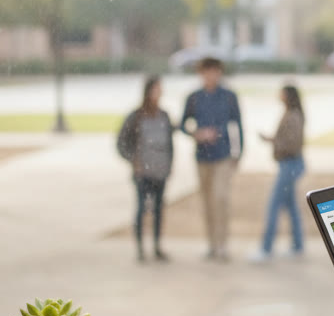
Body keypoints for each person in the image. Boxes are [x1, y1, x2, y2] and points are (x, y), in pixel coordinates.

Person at [180, 57, 243, 262]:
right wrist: (196, 134)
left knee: (220, 198)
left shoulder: (229, 97)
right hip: (202, 157)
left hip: (223, 155)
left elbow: (238, 125)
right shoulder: (194, 98)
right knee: (207, 201)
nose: (211, 76)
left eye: (214, 71)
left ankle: (222, 244)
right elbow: (182, 124)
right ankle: (211, 244)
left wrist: (238, 152)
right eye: (207, 72)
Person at [115, 75, 173, 262]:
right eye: (156, 89)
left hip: (160, 171)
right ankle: (140, 248)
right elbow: (122, 142)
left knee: (158, 210)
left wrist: (169, 166)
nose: (159, 92)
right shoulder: (136, 117)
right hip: (143, 173)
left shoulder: (164, 116)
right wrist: (133, 160)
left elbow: (169, 143)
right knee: (142, 209)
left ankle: (157, 246)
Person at [252, 85, 305, 262]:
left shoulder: (293, 116)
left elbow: (292, 143)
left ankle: (266, 248)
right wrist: (272, 140)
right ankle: (298, 245)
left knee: (274, 205)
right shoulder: (290, 113)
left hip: (289, 165)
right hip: (289, 164)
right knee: (291, 206)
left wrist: (276, 143)